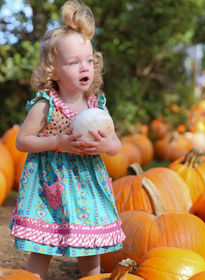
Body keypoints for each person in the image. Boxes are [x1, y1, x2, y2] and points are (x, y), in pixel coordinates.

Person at [9, 1, 125, 279]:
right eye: (74, 62)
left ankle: (91, 277)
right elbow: (22, 141)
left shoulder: (96, 105)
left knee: (89, 246)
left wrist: (106, 146)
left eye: (88, 61)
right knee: (43, 243)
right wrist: (56, 142)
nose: (84, 67)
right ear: (53, 70)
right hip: (52, 181)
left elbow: (116, 145)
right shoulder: (46, 105)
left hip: (87, 183)